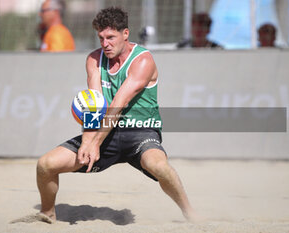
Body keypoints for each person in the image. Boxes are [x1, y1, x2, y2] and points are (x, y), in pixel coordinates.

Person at [36, 7, 200, 224]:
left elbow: (117, 105)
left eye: (111, 37)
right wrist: (87, 140)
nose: (105, 44)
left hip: (141, 131)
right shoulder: (94, 59)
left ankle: (190, 213)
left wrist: (95, 143)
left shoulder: (142, 60)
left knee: (159, 166)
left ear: (125, 34)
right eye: (101, 38)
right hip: (107, 133)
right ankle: (47, 214)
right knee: (45, 165)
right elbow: (94, 105)